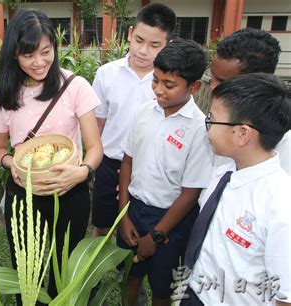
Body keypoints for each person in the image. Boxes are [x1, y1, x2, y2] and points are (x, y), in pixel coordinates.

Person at [0, 8, 103, 299]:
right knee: (28, 275)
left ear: (54, 46)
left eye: (46, 51)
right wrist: (10, 161)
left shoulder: (76, 87)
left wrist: (82, 172)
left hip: (70, 192)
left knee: (65, 270)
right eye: (28, 55)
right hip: (23, 195)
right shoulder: (5, 93)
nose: (39, 62)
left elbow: (95, 148)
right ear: (14, 54)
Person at [117, 39, 213, 306]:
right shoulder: (143, 113)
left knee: (162, 289)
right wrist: (124, 214)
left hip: (171, 220)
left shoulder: (199, 130)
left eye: (168, 85)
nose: (158, 90)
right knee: (130, 276)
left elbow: (190, 193)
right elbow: (127, 162)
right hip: (134, 210)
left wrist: (157, 235)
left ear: (193, 86)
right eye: (155, 80)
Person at [182, 73, 291, 305]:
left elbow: (285, 296)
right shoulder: (225, 172)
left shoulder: (280, 206)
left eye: (212, 119)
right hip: (195, 292)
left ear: (242, 134)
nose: (207, 126)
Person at [91, 3, 176, 237]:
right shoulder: (106, 74)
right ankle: (95, 268)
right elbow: (98, 124)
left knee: (136, 224)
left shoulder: (168, 83)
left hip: (147, 166)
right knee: (102, 222)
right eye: (139, 40)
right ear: (129, 33)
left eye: (154, 45)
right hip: (109, 162)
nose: (143, 50)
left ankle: (125, 270)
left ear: (167, 45)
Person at [207, 27, 290, 175]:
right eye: (212, 77)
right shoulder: (223, 116)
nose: (212, 87)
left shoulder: (285, 147)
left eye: (222, 82)